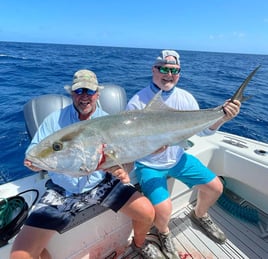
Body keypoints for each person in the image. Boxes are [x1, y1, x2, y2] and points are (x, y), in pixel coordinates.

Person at [10, 69, 165, 259]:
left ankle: (140, 244)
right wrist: (33, 163)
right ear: (71, 93)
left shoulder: (109, 121)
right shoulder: (54, 120)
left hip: (100, 183)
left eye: (90, 92)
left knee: (147, 213)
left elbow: (125, 157)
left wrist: (124, 169)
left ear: (97, 94)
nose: (84, 97)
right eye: (79, 91)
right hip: (62, 190)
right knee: (20, 255)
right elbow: (33, 153)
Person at [126, 50, 241, 259]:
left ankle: (200, 215)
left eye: (174, 70)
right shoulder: (137, 102)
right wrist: (149, 149)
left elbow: (204, 130)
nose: (169, 74)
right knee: (163, 210)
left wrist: (223, 117)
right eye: (164, 69)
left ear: (179, 73)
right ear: (154, 69)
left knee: (216, 187)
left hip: (178, 159)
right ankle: (164, 233)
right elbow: (131, 144)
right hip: (150, 165)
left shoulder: (186, 98)